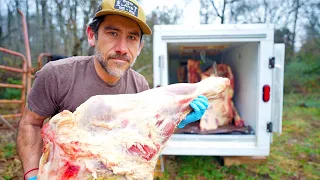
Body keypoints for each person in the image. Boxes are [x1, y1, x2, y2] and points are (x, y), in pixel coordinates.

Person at [17, 0, 209, 179]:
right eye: (113, 33)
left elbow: (145, 139)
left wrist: (176, 120)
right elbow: (31, 124)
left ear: (140, 47)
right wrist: (33, 173)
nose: (122, 48)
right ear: (92, 36)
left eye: (132, 37)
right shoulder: (57, 75)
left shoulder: (140, 86)